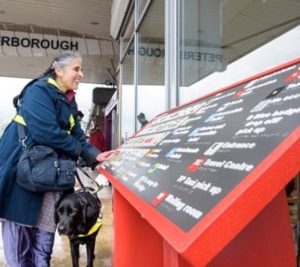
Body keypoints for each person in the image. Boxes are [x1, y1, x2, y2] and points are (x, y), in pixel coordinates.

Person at [0, 51, 113, 267]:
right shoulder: (39, 91)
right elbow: (47, 132)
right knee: (20, 231)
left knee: (45, 233)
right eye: (76, 69)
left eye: (82, 69)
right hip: (21, 169)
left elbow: (77, 134)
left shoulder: (68, 99)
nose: (81, 74)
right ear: (58, 70)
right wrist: (79, 149)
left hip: (48, 173)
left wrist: (95, 155)